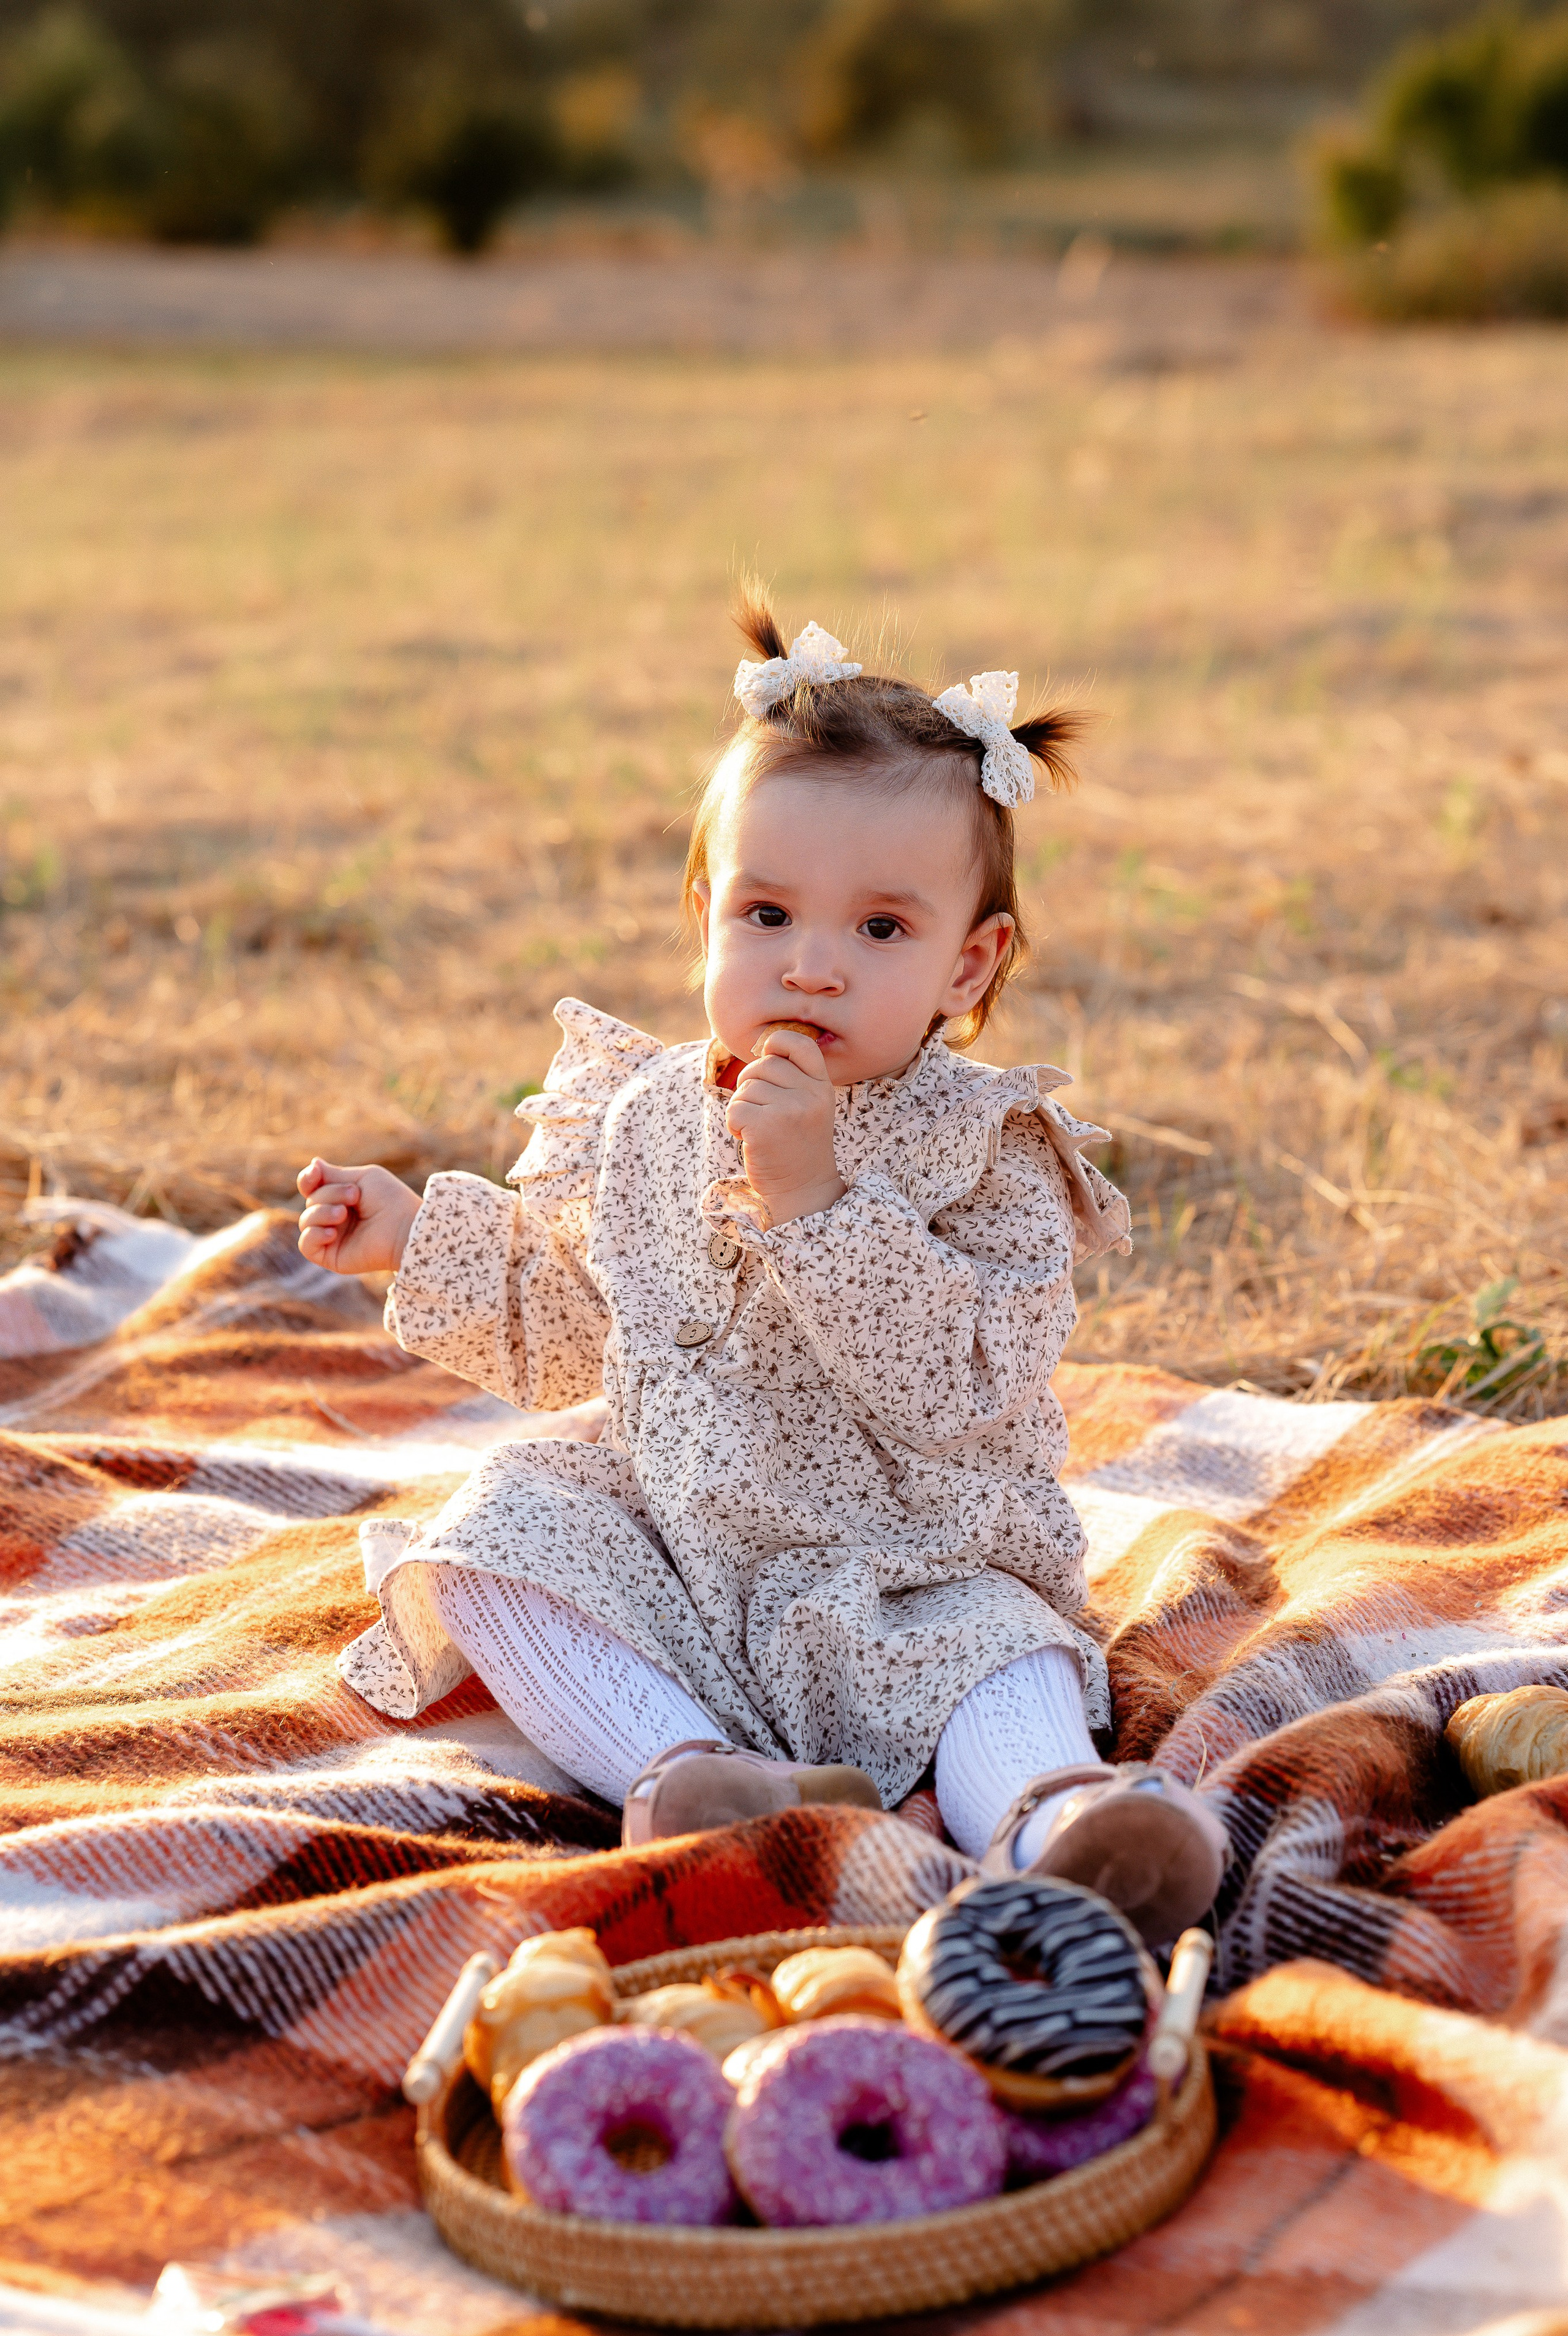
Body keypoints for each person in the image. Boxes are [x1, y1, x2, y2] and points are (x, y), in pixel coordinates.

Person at [297, 593, 1227, 1945]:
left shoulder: (985, 1152)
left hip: (908, 1552)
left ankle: (1054, 1816)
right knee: (496, 1529)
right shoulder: (649, 1112)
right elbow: (579, 1327)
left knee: (1000, 1651)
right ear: (704, 914)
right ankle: (688, 1777)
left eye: (880, 931)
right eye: (768, 911)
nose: (811, 965)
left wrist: (816, 1198)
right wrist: (411, 1238)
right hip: (686, 1540)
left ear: (969, 965)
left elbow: (961, 1385)